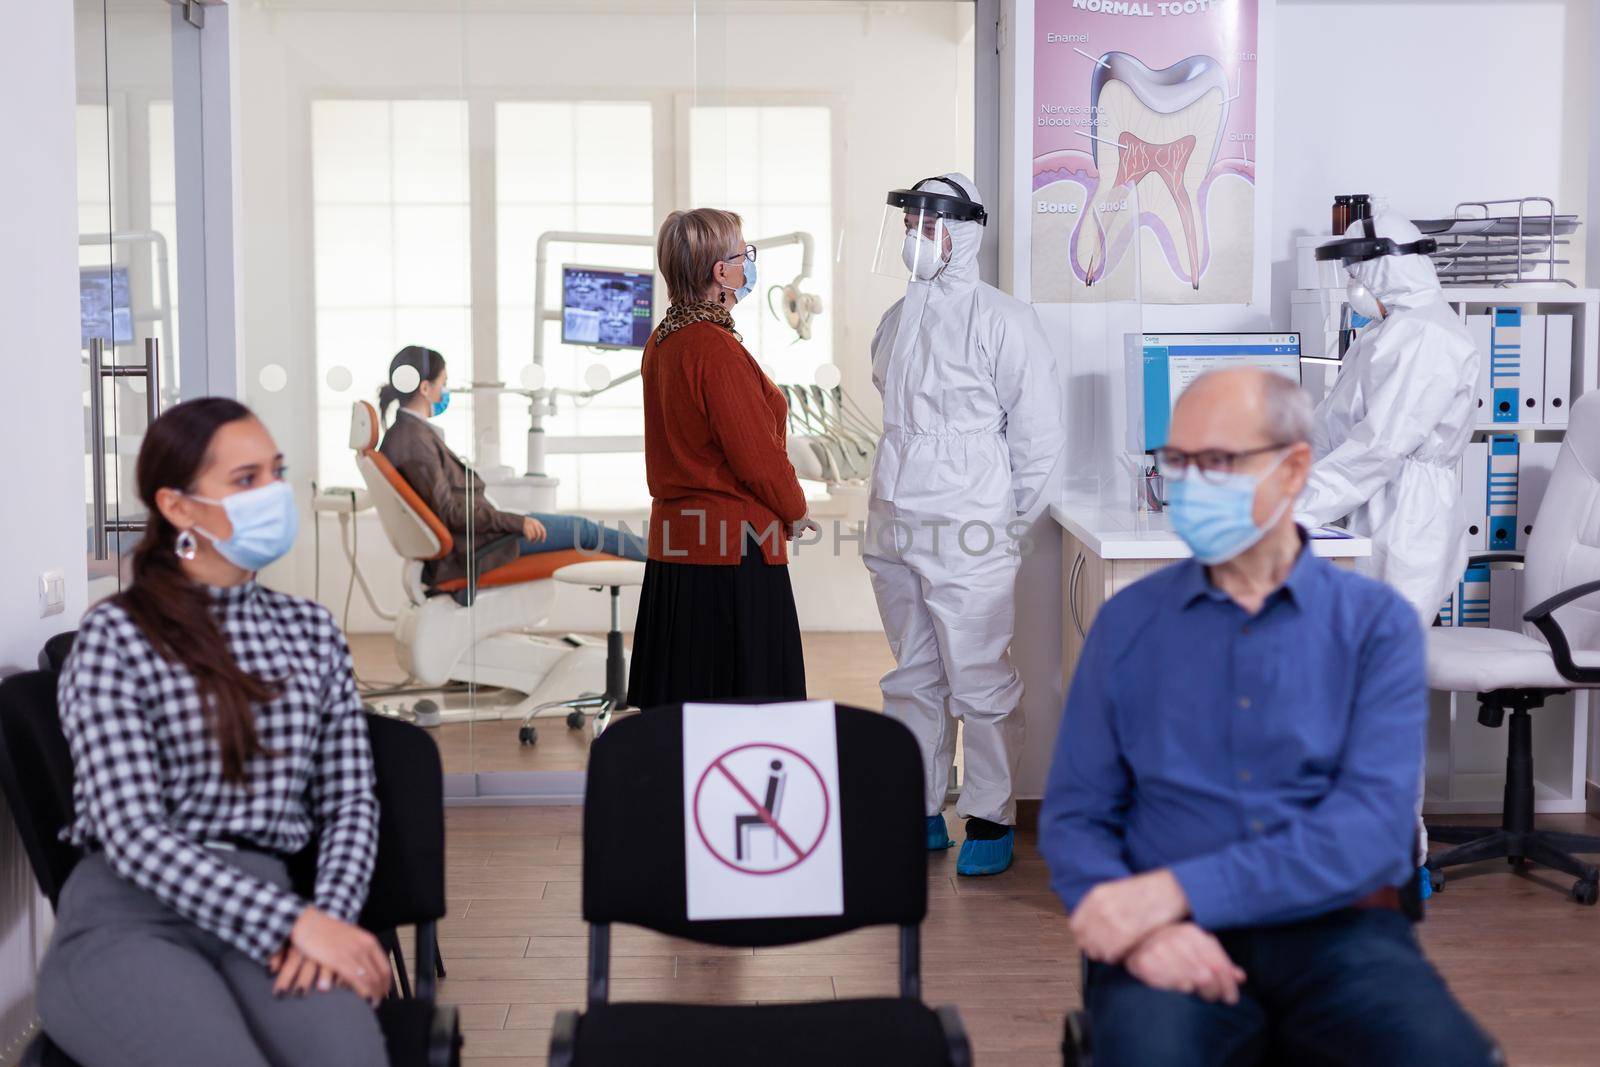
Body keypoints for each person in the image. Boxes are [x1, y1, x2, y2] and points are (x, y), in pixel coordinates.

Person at [1040, 369, 1496, 1067]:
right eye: (1177, 461)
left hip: (1337, 935)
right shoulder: (1128, 623)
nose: (1190, 483)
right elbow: (1076, 816)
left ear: (1294, 469)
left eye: (1218, 461)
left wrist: (1175, 890)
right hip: (1170, 937)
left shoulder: (1375, 628)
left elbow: (1372, 833)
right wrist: (1141, 932)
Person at [42, 398, 390, 1067]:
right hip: (129, 913)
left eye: (276, 472)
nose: (274, 493)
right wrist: (293, 922)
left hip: (271, 898)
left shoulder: (311, 631)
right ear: (178, 508)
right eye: (245, 479)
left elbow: (349, 801)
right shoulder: (116, 635)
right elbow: (132, 832)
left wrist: (329, 920)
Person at [863, 173, 1063, 877]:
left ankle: (990, 811)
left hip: (968, 521)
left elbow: (1038, 436)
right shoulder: (897, 317)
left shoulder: (1002, 318)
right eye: (909, 223)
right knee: (913, 673)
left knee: (978, 674)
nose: (915, 237)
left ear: (962, 233)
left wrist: (1008, 522)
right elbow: (894, 410)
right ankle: (918, 806)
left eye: (927, 224)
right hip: (893, 518)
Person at [627, 208, 812, 707]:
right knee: (747, 710)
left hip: (678, 549)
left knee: (688, 708)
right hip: (732, 549)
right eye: (742, 254)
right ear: (719, 272)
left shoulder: (663, 341)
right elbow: (756, 458)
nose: (747, 263)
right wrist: (795, 511)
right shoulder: (713, 349)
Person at [1298, 209, 1479, 625]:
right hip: (1372, 501)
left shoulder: (1426, 336)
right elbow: (1331, 426)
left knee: (1374, 663)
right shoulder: (1389, 330)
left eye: (1357, 272)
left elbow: (1379, 447)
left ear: (1388, 268)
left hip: (1405, 518)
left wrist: (1294, 505)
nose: (1352, 284)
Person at [377, 345, 646, 591]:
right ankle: (663, 560)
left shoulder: (407, 434)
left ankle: (658, 557)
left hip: (483, 536)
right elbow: (450, 512)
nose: (444, 392)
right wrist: (517, 523)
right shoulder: (414, 441)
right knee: (584, 531)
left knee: (581, 529)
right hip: (483, 546)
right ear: (425, 388)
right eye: (443, 384)